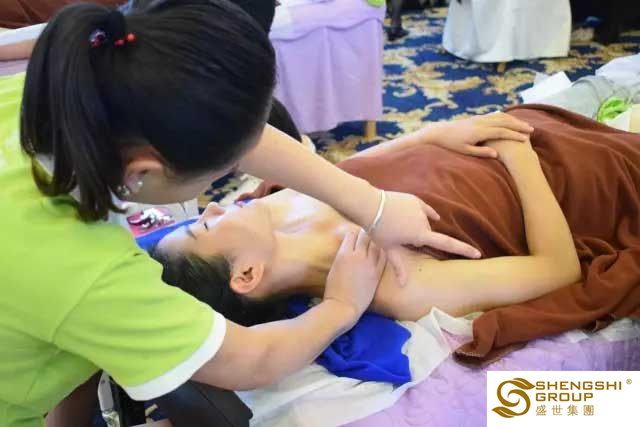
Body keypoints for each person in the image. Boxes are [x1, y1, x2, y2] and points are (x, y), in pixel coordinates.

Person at [0, 1, 535, 426]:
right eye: (220, 175)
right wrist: (342, 306)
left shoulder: (57, 97)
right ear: (143, 170)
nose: (216, 201)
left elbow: (248, 136)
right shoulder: (83, 273)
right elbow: (251, 361)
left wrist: (379, 193)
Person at [155, 105, 640, 324]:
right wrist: (520, 157)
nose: (212, 206)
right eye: (204, 225)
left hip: (497, 136)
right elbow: (558, 269)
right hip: (563, 177)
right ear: (247, 274)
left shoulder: (275, 201)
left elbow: (359, 169)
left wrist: (432, 134)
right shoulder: (399, 288)